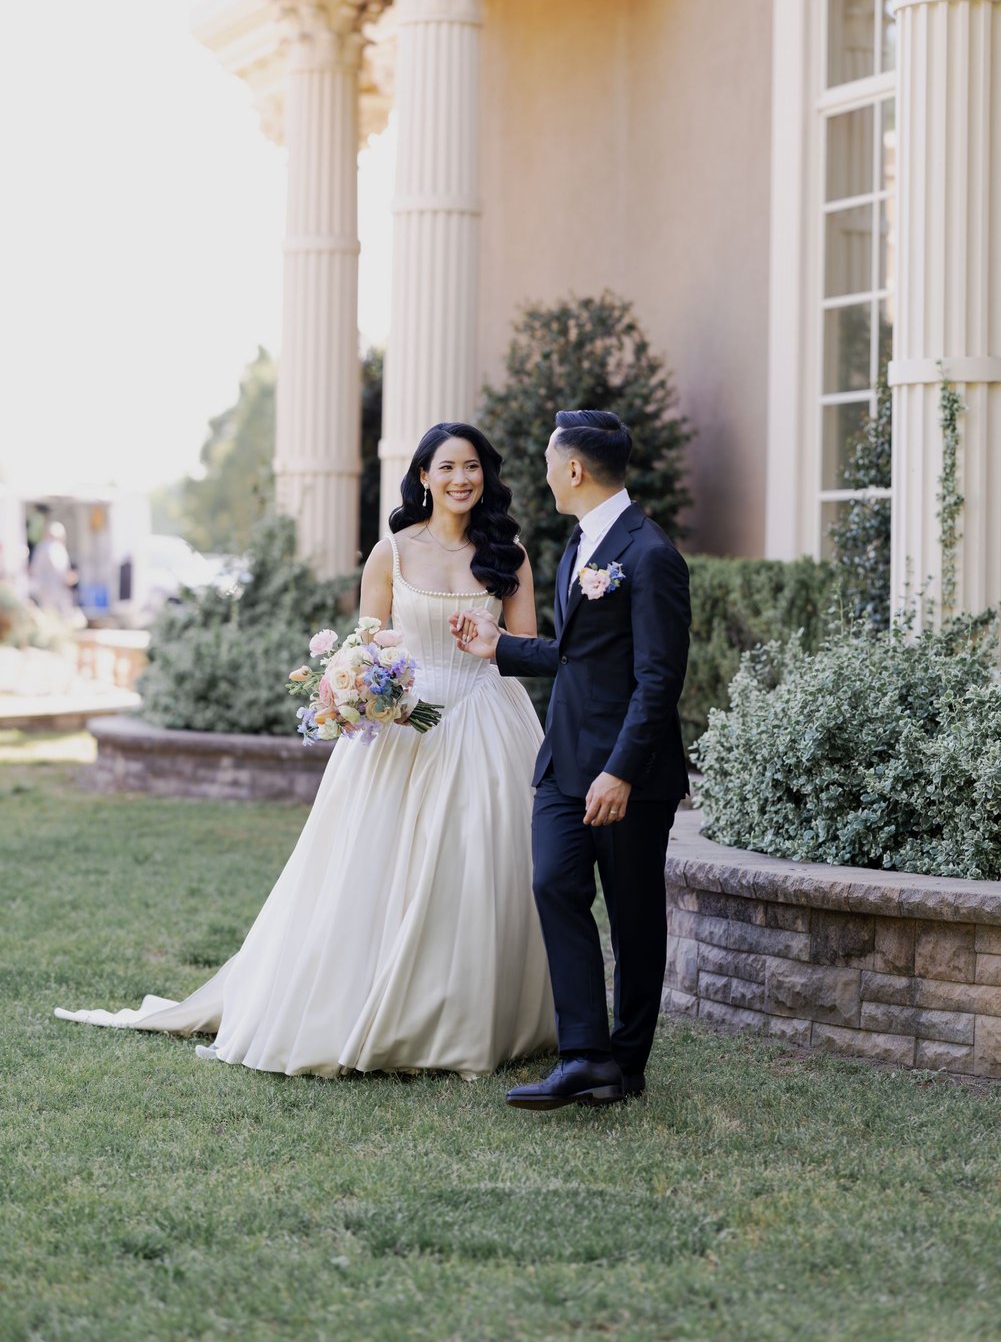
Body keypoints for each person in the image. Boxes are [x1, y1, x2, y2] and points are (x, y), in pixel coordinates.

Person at [55, 424, 555, 1079]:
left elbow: (526, 649)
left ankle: (472, 1016)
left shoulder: (507, 556)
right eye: (447, 467)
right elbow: (367, 645)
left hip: (487, 720)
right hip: (404, 725)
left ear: (485, 475)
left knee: (482, 861)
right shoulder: (391, 553)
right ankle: (368, 1003)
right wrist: (364, 689)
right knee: (375, 868)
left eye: (472, 467)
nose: (461, 479)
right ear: (424, 477)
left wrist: (489, 639)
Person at [452, 409, 690, 1109]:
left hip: (627, 774)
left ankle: (627, 1063)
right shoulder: (579, 544)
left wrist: (620, 771)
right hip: (563, 762)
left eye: (551, 464)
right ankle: (584, 1054)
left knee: (634, 918)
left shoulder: (650, 554)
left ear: (575, 470)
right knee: (554, 884)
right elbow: (574, 653)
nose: (547, 476)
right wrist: (497, 647)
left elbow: (658, 679)